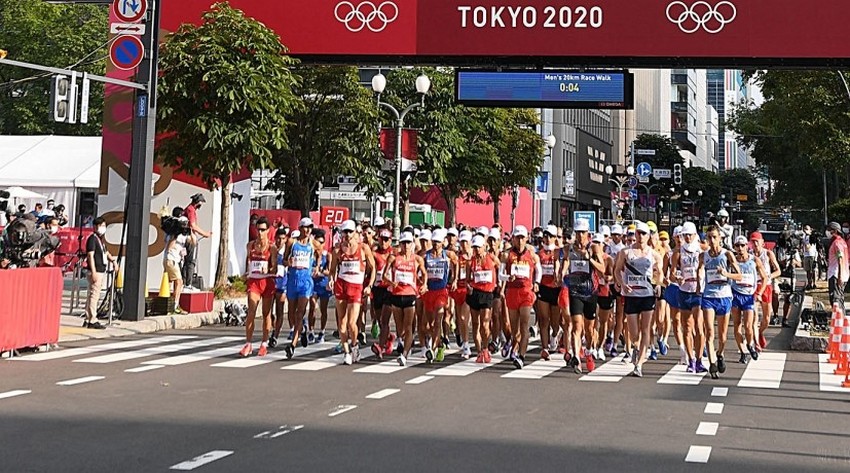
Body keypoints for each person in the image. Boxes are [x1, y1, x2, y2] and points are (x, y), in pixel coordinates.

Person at [614, 221, 663, 378]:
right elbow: (617, 271)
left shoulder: (654, 254)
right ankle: (635, 346)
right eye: (638, 233)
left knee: (646, 329)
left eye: (643, 233)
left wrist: (658, 285)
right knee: (634, 333)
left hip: (647, 295)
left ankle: (639, 364)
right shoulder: (626, 252)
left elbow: (659, 273)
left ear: (648, 236)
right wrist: (622, 284)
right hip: (631, 295)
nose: (640, 236)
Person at [329, 219, 376, 365]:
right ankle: (347, 351)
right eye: (345, 232)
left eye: (350, 231)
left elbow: (373, 268)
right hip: (341, 285)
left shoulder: (363, 248)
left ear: (355, 232)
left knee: (351, 323)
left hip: (356, 287)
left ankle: (354, 345)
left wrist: (370, 285)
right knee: (341, 324)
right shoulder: (337, 250)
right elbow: (332, 270)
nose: (348, 234)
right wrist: (331, 279)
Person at [384, 232, 427, 367]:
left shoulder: (417, 259)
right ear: (400, 244)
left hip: (410, 295)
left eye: (409, 243)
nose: (406, 245)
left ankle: (405, 355)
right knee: (400, 329)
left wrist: (424, 284)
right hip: (396, 295)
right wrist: (391, 283)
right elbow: (384, 275)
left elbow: (424, 274)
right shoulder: (393, 258)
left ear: (412, 244)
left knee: (409, 327)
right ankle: (400, 340)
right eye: (404, 243)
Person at [502, 225, 541, 370]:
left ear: (526, 238)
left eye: (522, 238)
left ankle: (522, 356)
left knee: (524, 324)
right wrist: (508, 277)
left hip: (526, 291)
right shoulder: (507, 255)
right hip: (512, 291)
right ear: (513, 239)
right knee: (514, 327)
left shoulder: (532, 254)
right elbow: (500, 274)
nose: (520, 241)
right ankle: (514, 345)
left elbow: (539, 271)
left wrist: (536, 283)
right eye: (517, 237)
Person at [284, 218, 322, 359]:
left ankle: (292, 345)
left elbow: (320, 251)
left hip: (306, 282)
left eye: (309, 228)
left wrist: (316, 266)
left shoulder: (313, 244)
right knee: (292, 314)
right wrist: (289, 262)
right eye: (305, 227)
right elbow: (284, 260)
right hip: (292, 280)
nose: (307, 230)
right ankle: (302, 329)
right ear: (299, 228)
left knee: (300, 313)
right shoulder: (292, 242)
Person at [239, 217, 278, 357]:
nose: (260, 233)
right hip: (254, 282)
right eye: (258, 230)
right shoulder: (250, 245)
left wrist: (267, 271)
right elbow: (247, 262)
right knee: (251, 311)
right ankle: (248, 343)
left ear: (268, 231)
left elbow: (274, 268)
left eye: (263, 230)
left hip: (267, 282)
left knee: (266, 313)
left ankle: (264, 343)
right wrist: (246, 274)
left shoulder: (272, 248)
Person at [671, 221, 704, 373]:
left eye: (690, 234)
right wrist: (677, 277)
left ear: (695, 235)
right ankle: (690, 359)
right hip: (684, 290)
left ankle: (699, 359)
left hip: (699, 291)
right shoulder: (678, 252)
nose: (688, 237)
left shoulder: (702, 250)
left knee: (699, 326)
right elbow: (672, 273)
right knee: (687, 327)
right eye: (685, 235)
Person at [730, 235, 768, 365]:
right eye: (737, 246)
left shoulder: (754, 260)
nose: (740, 248)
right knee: (736, 325)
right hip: (735, 295)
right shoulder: (732, 260)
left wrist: (759, 293)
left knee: (748, 326)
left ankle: (750, 344)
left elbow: (764, 278)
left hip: (749, 296)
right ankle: (742, 352)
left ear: (747, 246)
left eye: (742, 245)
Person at [466, 235, 499, 363]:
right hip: (474, 293)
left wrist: (499, 283)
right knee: (475, 323)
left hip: (487, 294)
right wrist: (468, 286)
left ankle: (485, 348)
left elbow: (500, 267)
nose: (477, 250)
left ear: (484, 247)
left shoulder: (491, 258)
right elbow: (468, 279)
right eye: (475, 247)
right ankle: (479, 351)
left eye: (478, 247)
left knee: (485, 324)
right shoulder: (471, 262)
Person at [84, 217, 116, 330]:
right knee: (94, 295)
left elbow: (105, 252)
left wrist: (113, 260)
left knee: (92, 295)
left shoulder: (100, 239)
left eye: (102, 225)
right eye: (98, 226)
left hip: (100, 269)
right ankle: (92, 319)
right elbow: (90, 256)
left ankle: (88, 318)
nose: (100, 228)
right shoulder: (92, 239)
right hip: (96, 270)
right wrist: (93, 271)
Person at [750, 231, 781, 348]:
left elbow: (778, 270)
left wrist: (770, 276)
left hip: (766, 286)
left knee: (767, 318)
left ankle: (760, 332)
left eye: (757, 241)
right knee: (754, 316)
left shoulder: (768, 254)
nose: (755, 244)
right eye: (753, 242)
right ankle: (756, 342)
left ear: (762, 242)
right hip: (754, 286)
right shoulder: (749, 255)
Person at [536, 225, 562, 361]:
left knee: (555, 321)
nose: (547, 238)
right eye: (545, 236)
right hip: (543, 288)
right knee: (543, 319)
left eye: (550, 236)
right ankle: (544, 348)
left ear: (554, 238)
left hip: (556, 288)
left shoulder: (558, 252)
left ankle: (555, 335)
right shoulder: (539, 253)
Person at [182, 193, 212, 289]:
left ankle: (185, 282)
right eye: (201, 203)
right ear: (198, 202)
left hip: (186, 238)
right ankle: (188, 284)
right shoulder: (191, 210)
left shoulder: (188, 209)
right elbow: (193, 226)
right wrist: (205, 234)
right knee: (191, 261)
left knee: (187, 261)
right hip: (190, 239)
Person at [309, 229, 332, 344]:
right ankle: (311, 331)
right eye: (318, 242)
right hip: (313, 284)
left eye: (322, 242)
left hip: (323, 284)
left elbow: (331, 271)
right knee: (312, 306)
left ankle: (322, 332)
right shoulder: (310, 254)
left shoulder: (327, 255)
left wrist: (322, 272)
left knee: (323, 309)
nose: (320, 245)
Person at [164, 216, 190, 314]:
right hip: (172, 259)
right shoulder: (174, 234)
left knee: (170, 281)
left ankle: (168, 305)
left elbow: (192, 241)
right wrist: (174, 237)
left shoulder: (179, 234)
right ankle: (174, 306)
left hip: (170, 259)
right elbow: (169, 247)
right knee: (179, 282)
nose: (185, 226)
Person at [270, 227, 289, 348]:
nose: (280, 241)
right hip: (271, 282)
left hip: (283, 283)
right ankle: (271, 328)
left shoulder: (287, 251)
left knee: (279, 311)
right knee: (269, 312)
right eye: (278, 238)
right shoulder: (271, 249)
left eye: (282, 239)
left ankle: (275, 335)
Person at [827, 221, 849, 310]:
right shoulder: (842, 241)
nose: (827, 232)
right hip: (840, 273)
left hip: (835, 274)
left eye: (829, 230)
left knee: (836, 299)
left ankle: (839, 319)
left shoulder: (837, 243)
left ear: (835, 231)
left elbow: (840, 259)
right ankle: (839, 318)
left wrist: (839, 276)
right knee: (838, 298)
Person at [802, 225, 819, 289]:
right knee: (808, 271)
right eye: (804, 229)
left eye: (807, 229)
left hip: (812, 255)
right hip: (806, 255)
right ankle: (809, 283)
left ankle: (814, 283)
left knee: (813, 270)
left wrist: (804, 242)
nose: (805, 230)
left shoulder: (812, 237)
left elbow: (808, 247)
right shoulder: (804, 237)